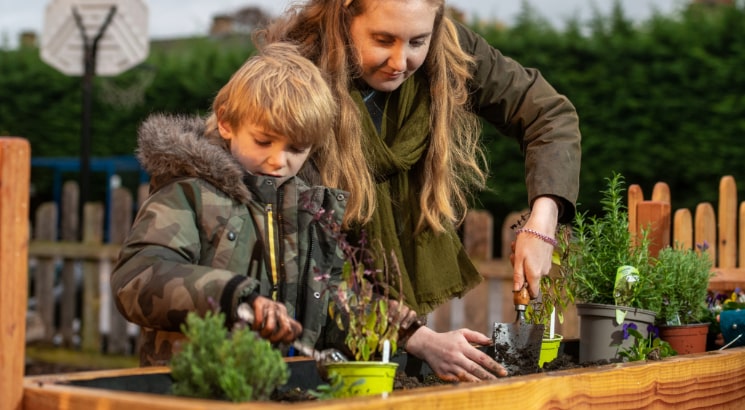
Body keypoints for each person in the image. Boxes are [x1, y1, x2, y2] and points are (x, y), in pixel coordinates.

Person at [257, 0, 581, 381]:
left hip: (402, 319)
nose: (400, 61)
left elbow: (547, 113)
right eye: (383, 39)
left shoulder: (449, 51)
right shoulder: (293, 77)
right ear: (345, 14)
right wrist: (419, 337)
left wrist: (543, 221)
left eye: (417, 42)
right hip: (304, 334)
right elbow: (305, 258)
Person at [112, 42, 356, 366]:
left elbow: (326, 302)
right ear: (227, 123)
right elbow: (137, 277)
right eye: (264, 141)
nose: (278, 161)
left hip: (282, 386)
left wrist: (398, 329)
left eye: (297, 148)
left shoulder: (310, 210)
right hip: (193, 385)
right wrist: (231, 293)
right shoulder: (190, 195)